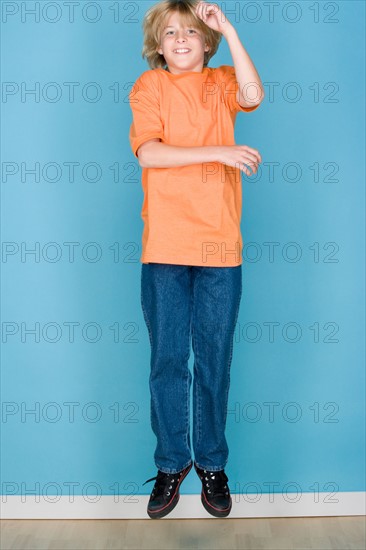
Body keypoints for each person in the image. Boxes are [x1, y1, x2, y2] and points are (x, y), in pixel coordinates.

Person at [128, 0, 264, 519]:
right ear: (157, 45)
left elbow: (254, 95)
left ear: (205, 41)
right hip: (164, 245)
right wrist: (219, 153)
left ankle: (211, 464)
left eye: (191, 31)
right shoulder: (149, 87)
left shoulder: (224, 80)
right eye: (170, 33)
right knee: (167, 361)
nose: (181, 39)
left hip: (219, 245)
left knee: (214, 362)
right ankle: (171, 463)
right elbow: (150, 153)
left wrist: (228, 28)